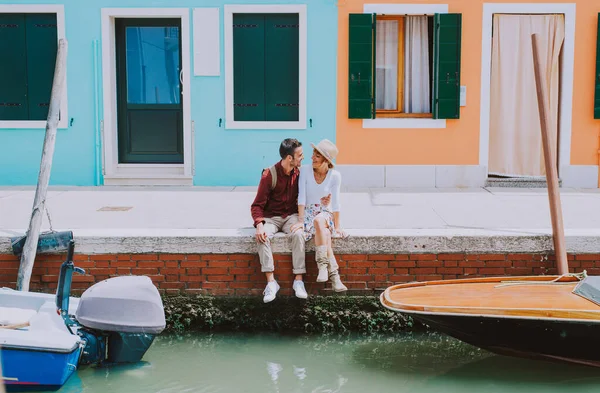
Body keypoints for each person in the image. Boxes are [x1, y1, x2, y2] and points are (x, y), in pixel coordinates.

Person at [251, 138, 330, 303]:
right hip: (271, 217)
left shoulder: (300, 173)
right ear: (289, 158)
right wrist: (259, 225)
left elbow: (310, 194)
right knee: (262, 236)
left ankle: (298, 281)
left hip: (291, 217)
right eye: (300, 155)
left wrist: (323, 201)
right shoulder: (269, 175)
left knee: (299, 234)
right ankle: (271, 283)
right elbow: (257, 205)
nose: (303, 157)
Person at [297, 139, 348, 292]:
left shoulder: (335, 176)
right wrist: (300, 220)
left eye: (317, 156)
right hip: (308, 214)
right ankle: (335, 276)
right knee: (324, 233)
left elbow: (336, 203)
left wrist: (337, 227)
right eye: (313, 154)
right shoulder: (305, 171)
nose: (312, 158)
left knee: (320, 221)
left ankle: (322, 266)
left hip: (325, 213)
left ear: (326, 160)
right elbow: (302, 197)